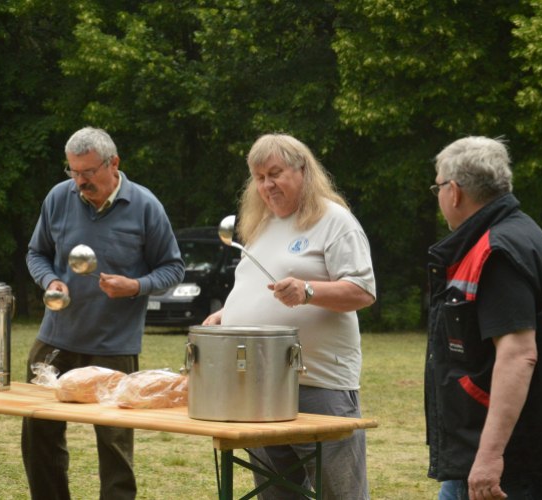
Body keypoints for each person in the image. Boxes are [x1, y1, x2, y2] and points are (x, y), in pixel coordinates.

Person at [425, 136, 542, 500]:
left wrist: (490, 456)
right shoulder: (526, 232)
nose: (438, 196)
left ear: (455, 191)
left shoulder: (496, 252)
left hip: (509, 460)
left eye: (438, 186)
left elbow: (518, 354)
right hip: (507, 448)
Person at [203, 133, 376, 500]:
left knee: (340, 493)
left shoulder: (334, 220)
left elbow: (363, 291)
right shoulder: (262, 225)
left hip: (319, 384)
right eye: (260, 177)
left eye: (275, 173)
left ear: (303, 171)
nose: (267, 185)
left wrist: (309, 290)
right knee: (277, 493)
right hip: (258, 385)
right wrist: (226, 315)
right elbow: (250, 287)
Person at [23, 127, 185, 500]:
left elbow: (173, 268)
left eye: (88, 173)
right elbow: (36, 253)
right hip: (55, 340)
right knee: (39, 437)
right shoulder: (58, 198)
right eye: (73, 172)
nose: (79, 182)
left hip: (113, 347)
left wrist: (135, 286)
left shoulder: (145, 206)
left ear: (113, 164)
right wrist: (50, 280)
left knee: (114, 448)